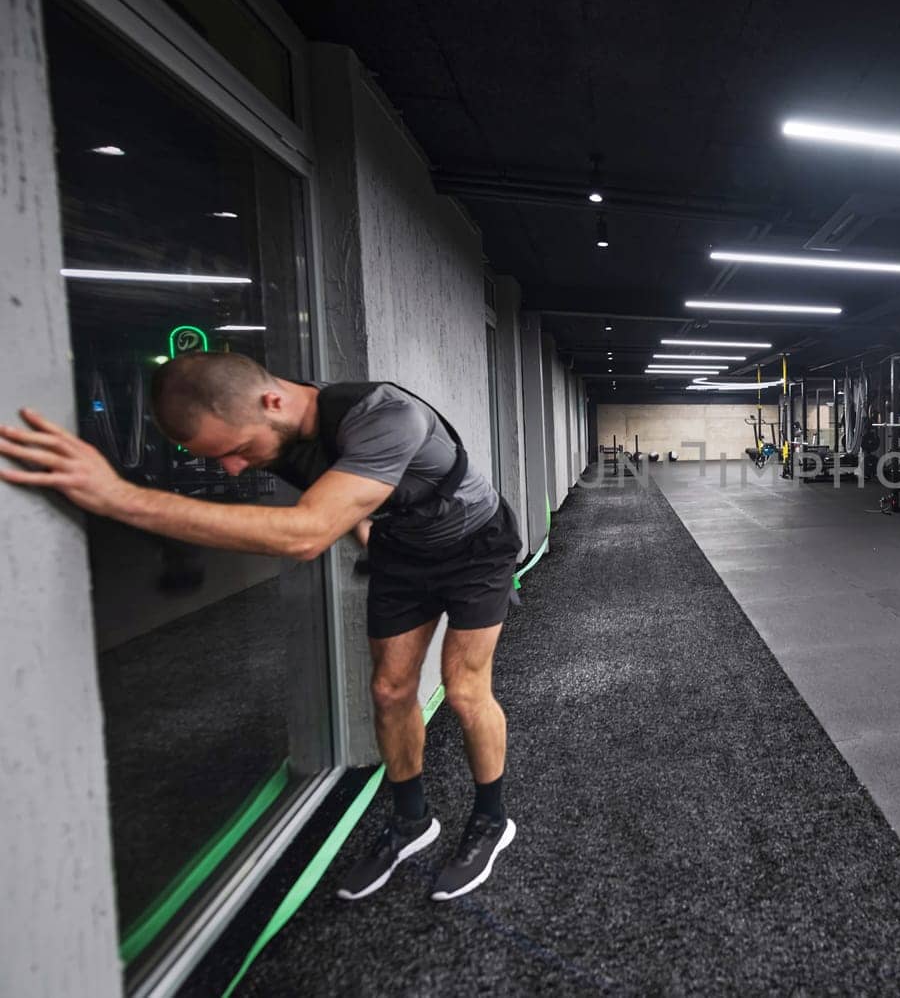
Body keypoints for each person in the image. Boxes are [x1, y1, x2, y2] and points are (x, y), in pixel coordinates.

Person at [0, 352, 520, 902]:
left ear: (273, 401)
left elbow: (305, 533)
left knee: (464, 691)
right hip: (402, 553)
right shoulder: (273, 430)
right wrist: (365, 533)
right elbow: (338, 501)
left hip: (475, 548)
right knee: (389, 691)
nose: (233, 468)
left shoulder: (387, 417)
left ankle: (492, 819)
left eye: (237, 450)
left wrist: (119, 498)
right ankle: (412, 823)